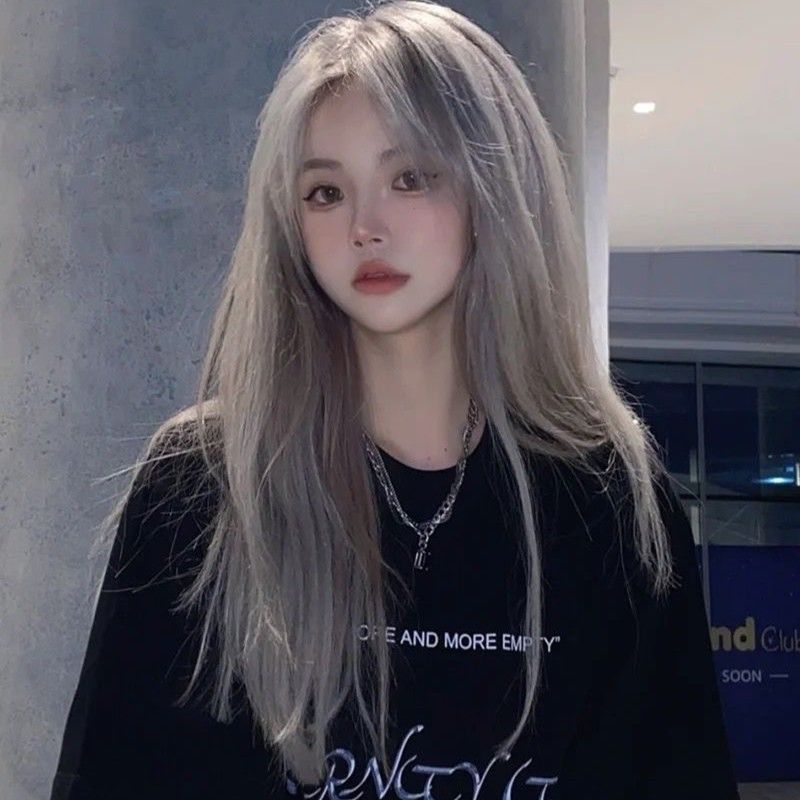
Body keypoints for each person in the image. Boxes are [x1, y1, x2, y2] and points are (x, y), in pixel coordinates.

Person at [50, 1, 740, 798]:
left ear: (495, 188)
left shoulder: (608, 500)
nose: (364, 227)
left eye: (410, 178)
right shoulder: (201, 485)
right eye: (324, 192)